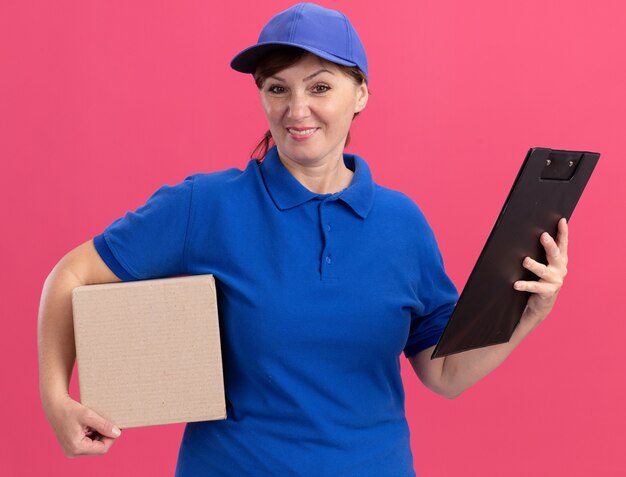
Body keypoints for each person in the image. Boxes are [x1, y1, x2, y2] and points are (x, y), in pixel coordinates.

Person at [37, 3, 569, 476]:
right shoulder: (204, 205)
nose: (296, 110)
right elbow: (71, 275)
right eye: (277, 88)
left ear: (360, 93)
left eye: (319, 86)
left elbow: (446, 373)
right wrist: (56, 398)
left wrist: (528, 316)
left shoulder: (402, 223)